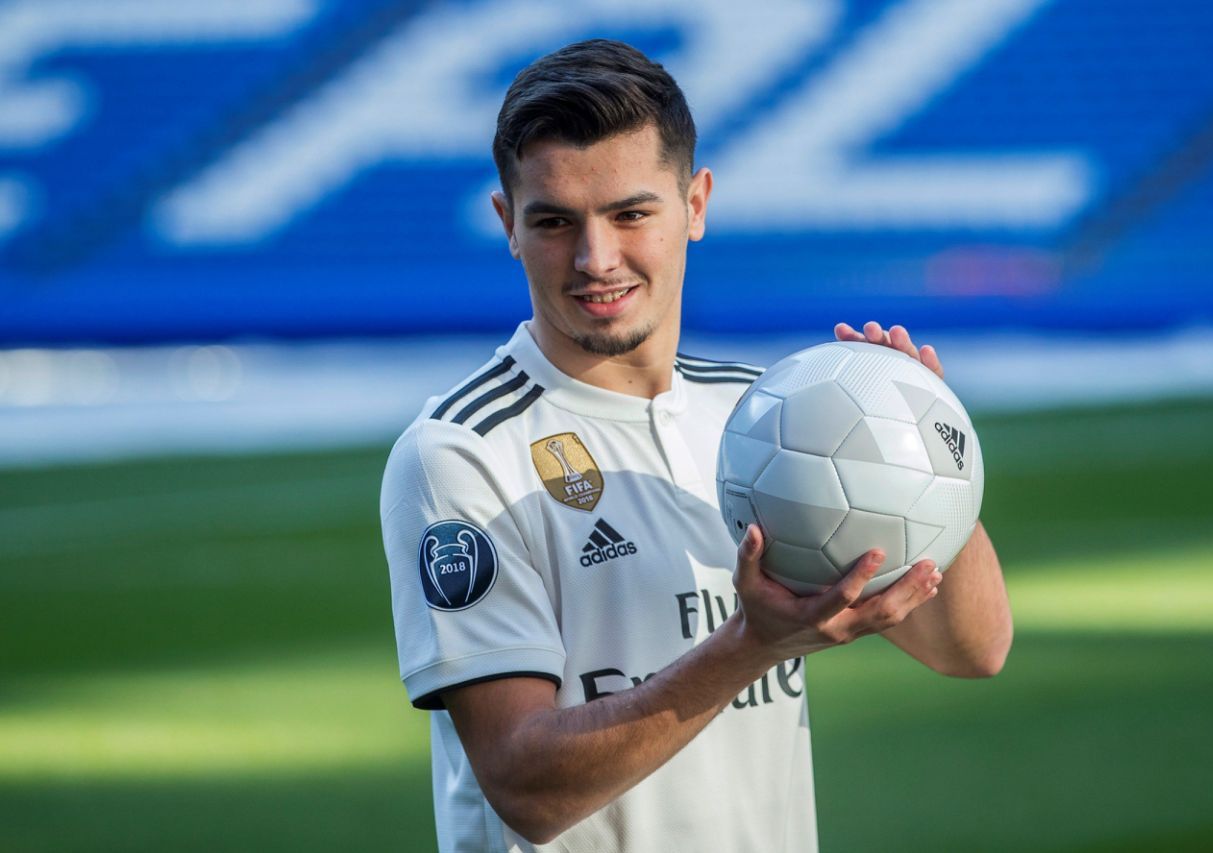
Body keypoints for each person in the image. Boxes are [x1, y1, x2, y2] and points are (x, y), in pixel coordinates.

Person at [380, 38, 1012, 853]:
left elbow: (972, 646)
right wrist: (752, 645)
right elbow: (523, 785)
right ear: (508, 223)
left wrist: (921, 456)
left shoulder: (767, 417)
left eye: (631, 213)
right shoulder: (461, 453)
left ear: (697, 203)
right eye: (554, 221)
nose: (595, 258)